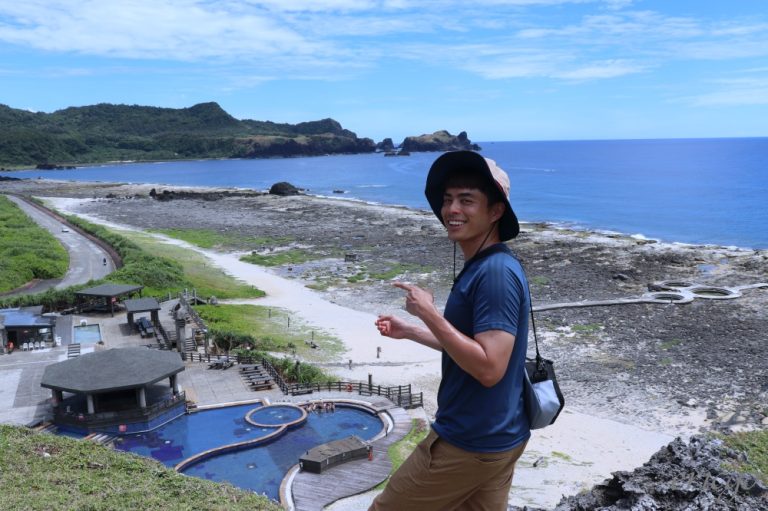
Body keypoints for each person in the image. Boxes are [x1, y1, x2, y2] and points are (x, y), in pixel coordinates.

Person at [370, 150, 531, 511]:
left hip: (468, 441)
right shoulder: (485, 266)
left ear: (496, 211)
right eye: (447, 199)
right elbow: (471, 349)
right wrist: (412, 331)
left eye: (466, 200)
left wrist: (429, 313)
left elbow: (489, 368)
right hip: (499, 437)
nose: (452, 209)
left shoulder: (495, 273)